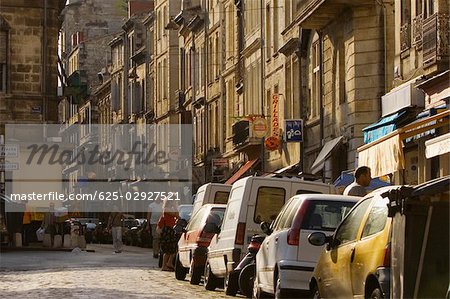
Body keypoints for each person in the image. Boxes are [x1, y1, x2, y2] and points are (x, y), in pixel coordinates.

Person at [157, 200, 179, 271]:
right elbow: (176, 214)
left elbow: (177, 216)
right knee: (168, 249)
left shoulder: (170, 209)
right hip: (168, 230)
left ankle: (169, 263)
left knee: (172, 248)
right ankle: (165, 265)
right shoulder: (166, 209)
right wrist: (175, 206)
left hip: (171, 230)